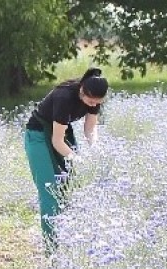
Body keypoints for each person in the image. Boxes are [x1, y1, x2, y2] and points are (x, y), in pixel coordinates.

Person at [21, 68, 107, 250]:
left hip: (61, 134)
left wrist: (96, 149)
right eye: (90, 101)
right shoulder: (64, 97)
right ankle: (52, 250)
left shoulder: (94, 96)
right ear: (82, 90)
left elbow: (90, 129)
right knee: (50, 192)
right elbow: (57, 141)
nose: (93, 106)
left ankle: (68, 242)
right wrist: (77, 159)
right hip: (38, 136)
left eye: (97, 103)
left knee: (68, 190)